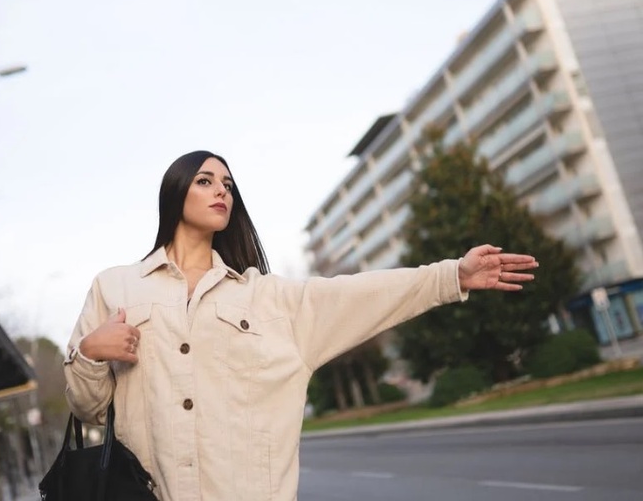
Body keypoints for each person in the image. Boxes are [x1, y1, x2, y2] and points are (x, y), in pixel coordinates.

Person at [64, 150, 537, 501]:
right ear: (175, 191)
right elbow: (87, 409)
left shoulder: (270, 300)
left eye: (227, 185)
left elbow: (362, 294)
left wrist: (451, 275)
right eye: (206, 181)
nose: (222, 191)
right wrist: (90, 351)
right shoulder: (116, 288)